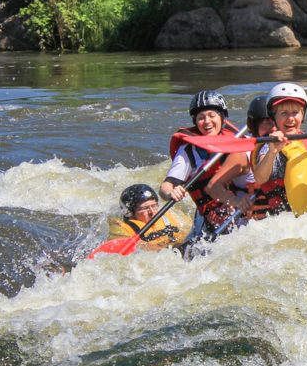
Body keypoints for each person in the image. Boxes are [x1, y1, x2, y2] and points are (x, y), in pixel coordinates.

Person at [252, 83, 307, 215]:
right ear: (273, 117)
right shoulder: (270, 145)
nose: (290, 118)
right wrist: (273, 152)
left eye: (295, 112)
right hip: (287, 220)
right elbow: (260, 178)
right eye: (284, 113)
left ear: (302, 115)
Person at [160, 90, 238, 238]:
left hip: (241, 209)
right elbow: (166, 186)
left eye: (211, 115)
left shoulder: (240, 141)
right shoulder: (189, 151)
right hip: (208, 219)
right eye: (201, 118)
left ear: (222, 118)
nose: (207, 121)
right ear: (195, 122)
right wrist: (171, 192)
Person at [206, 95, 275, 223]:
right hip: (250, 225)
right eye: (267, 122)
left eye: (276, 122)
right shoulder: (243, 154)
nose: (273, 128)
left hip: (282, 219)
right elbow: (212, 187)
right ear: (254, 126)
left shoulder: (293, 147)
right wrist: (236, 201)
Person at [107, 184, 192, 252]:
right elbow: (139, 249)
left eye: (154, 206)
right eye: (145, 208)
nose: (152, 212)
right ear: (130, 213)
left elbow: (190, 230)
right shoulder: (120, 228)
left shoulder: (170, 216)